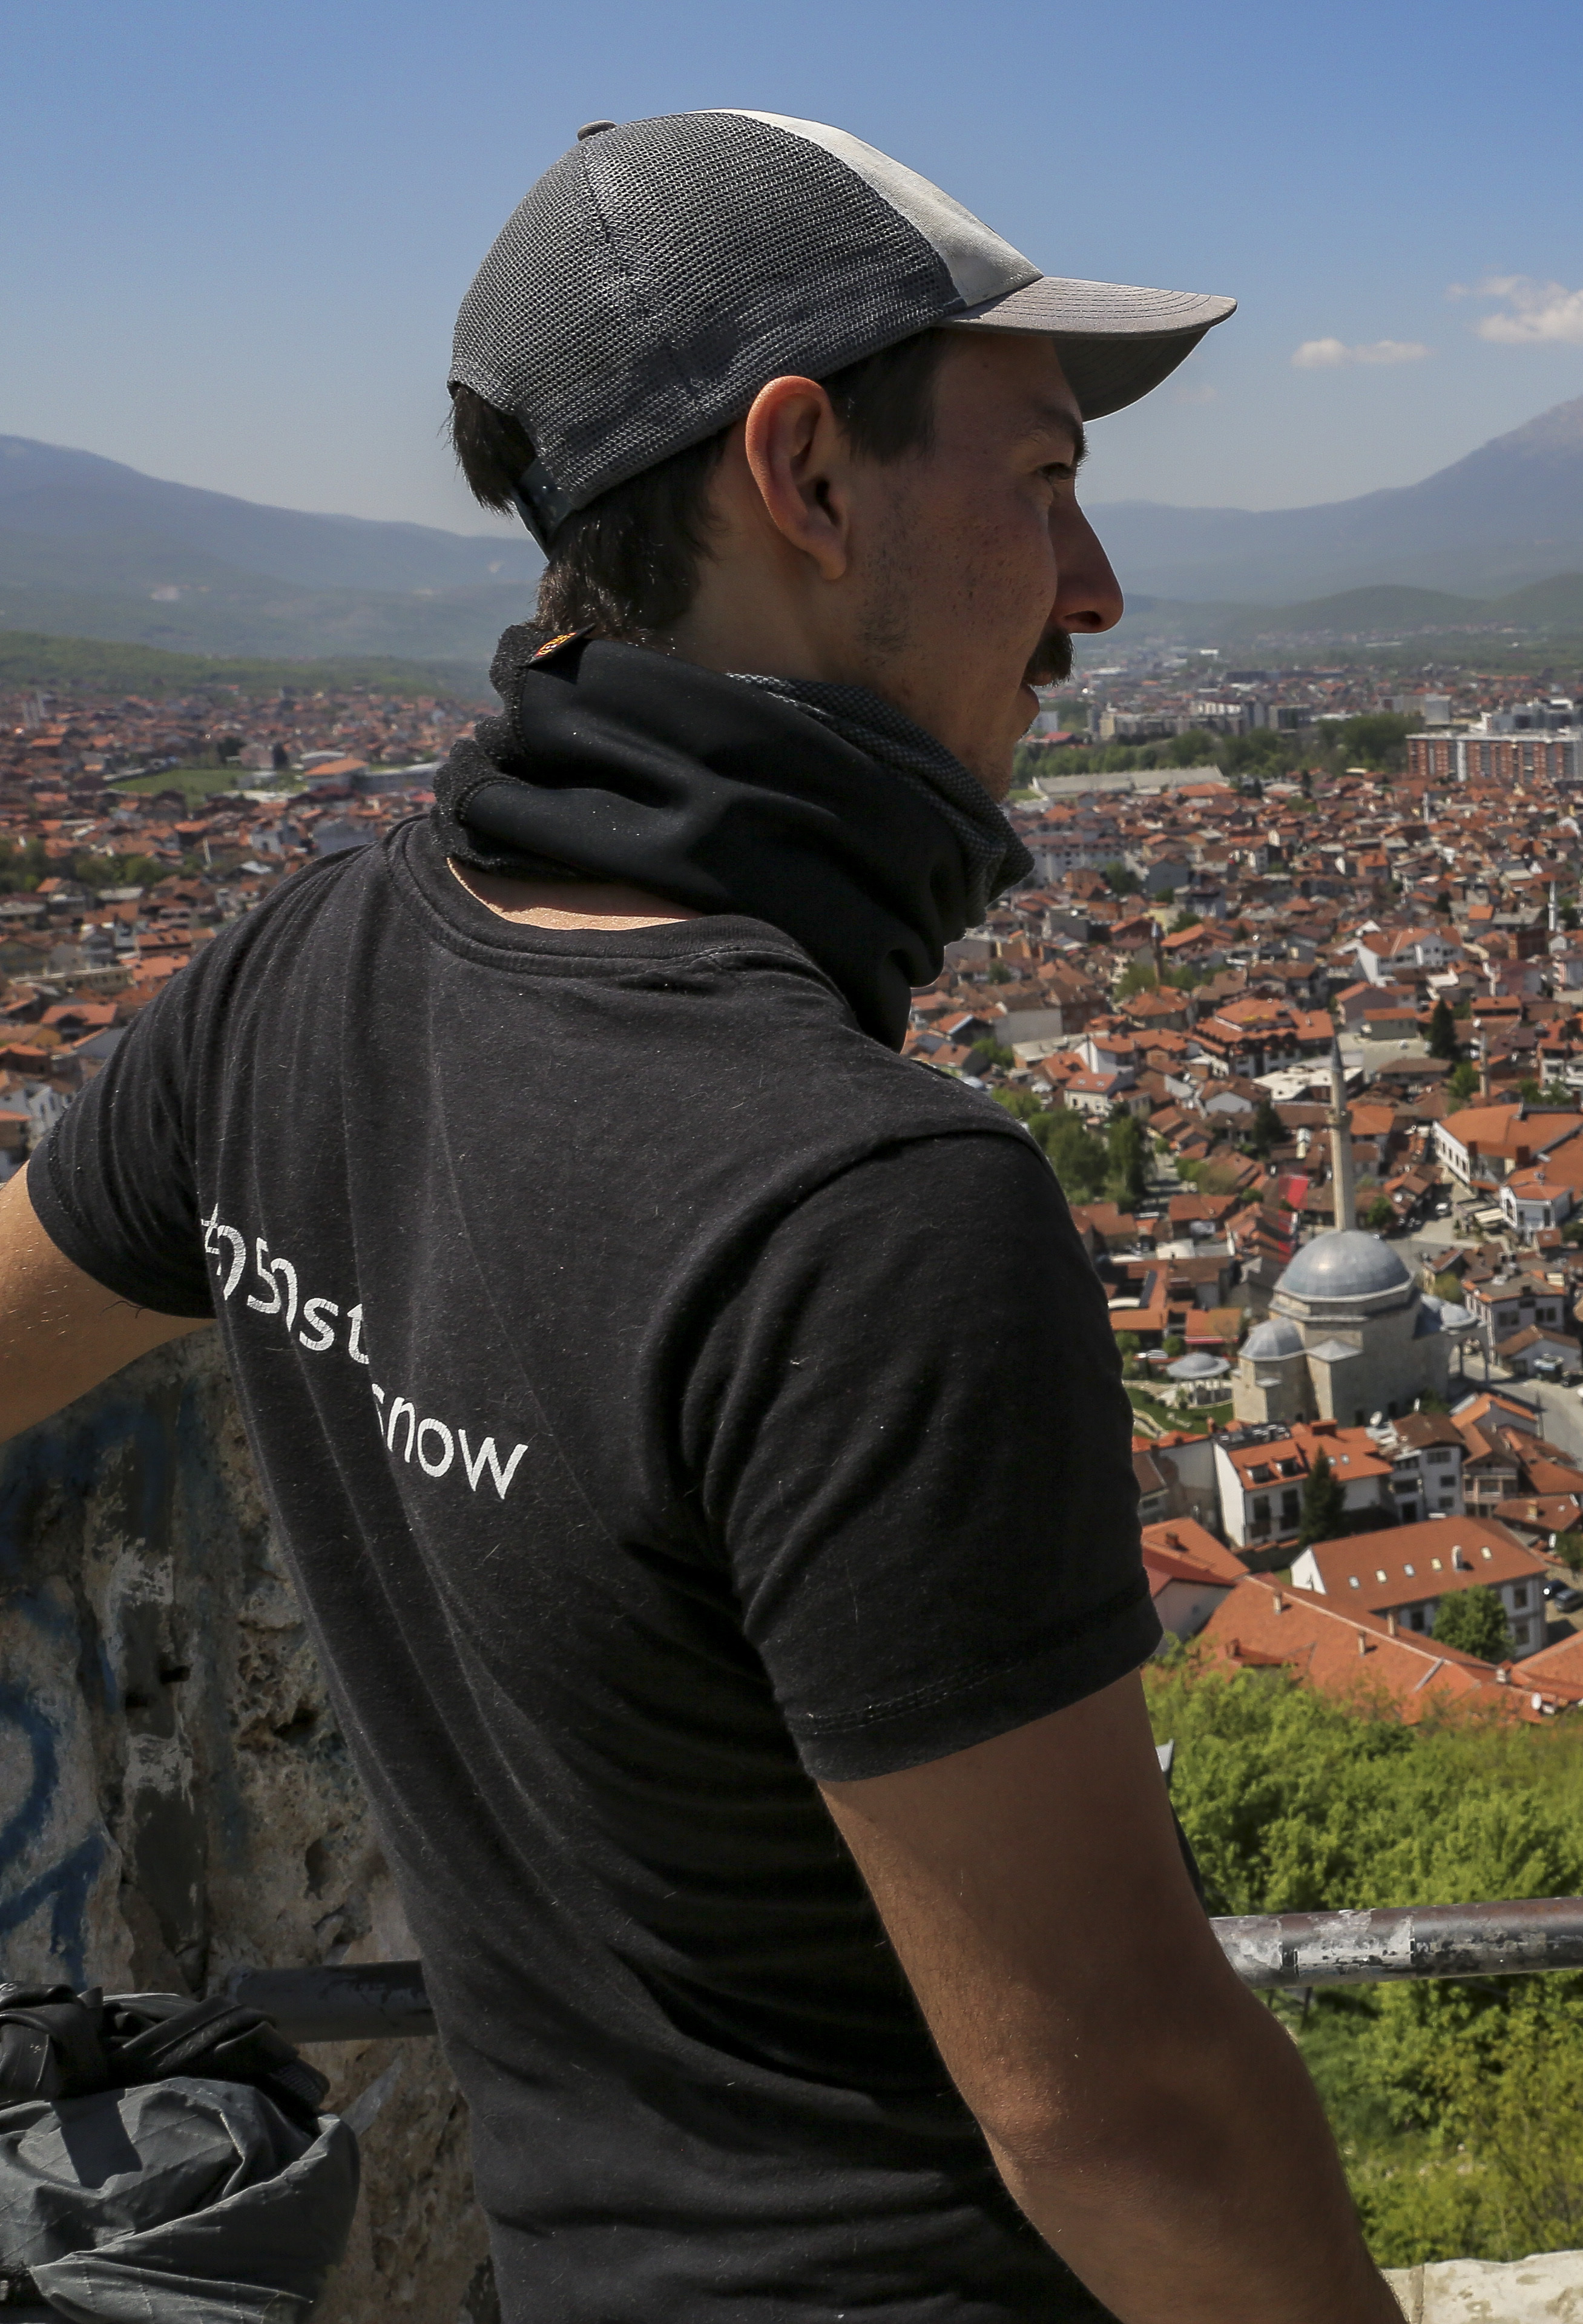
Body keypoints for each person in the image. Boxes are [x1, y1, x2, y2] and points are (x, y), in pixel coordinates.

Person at [0, 112, 1398, 2323]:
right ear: (808, 477)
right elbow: (1115, 2104)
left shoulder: (293, 984)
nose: (1100, 588)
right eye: (1044, 483)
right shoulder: (867, 1216)